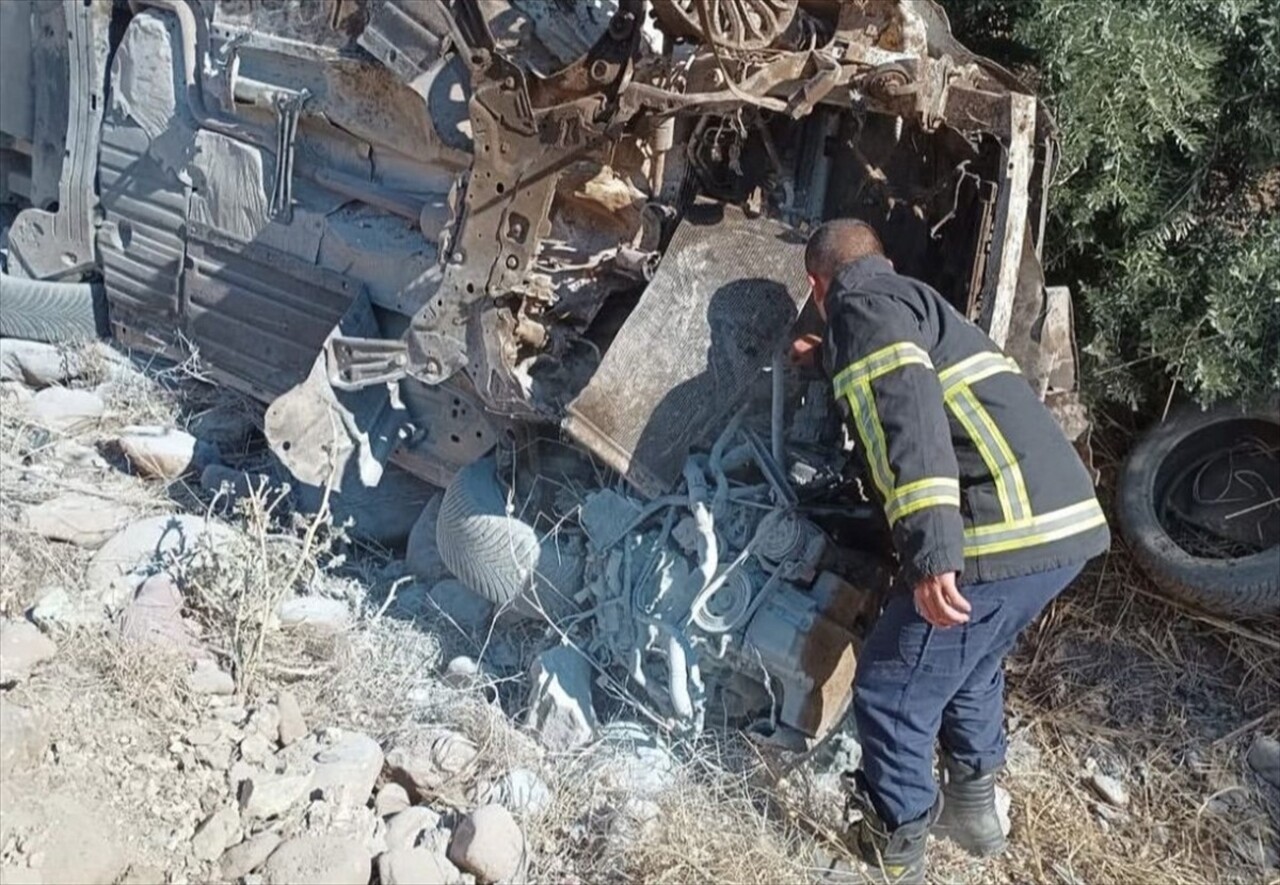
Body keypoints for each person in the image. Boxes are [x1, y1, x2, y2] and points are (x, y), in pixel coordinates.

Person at [797, 219, 1110, 883]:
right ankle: (972, 811)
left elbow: (908, 417)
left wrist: (930, 552)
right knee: (968, 663)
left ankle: (894, 856)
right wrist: (827, 353)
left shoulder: (862, 308)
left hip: (1004, 530)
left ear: (816, 284)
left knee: (891, 685)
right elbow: (909, 382)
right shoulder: (903, 301)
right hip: (1062, 524)